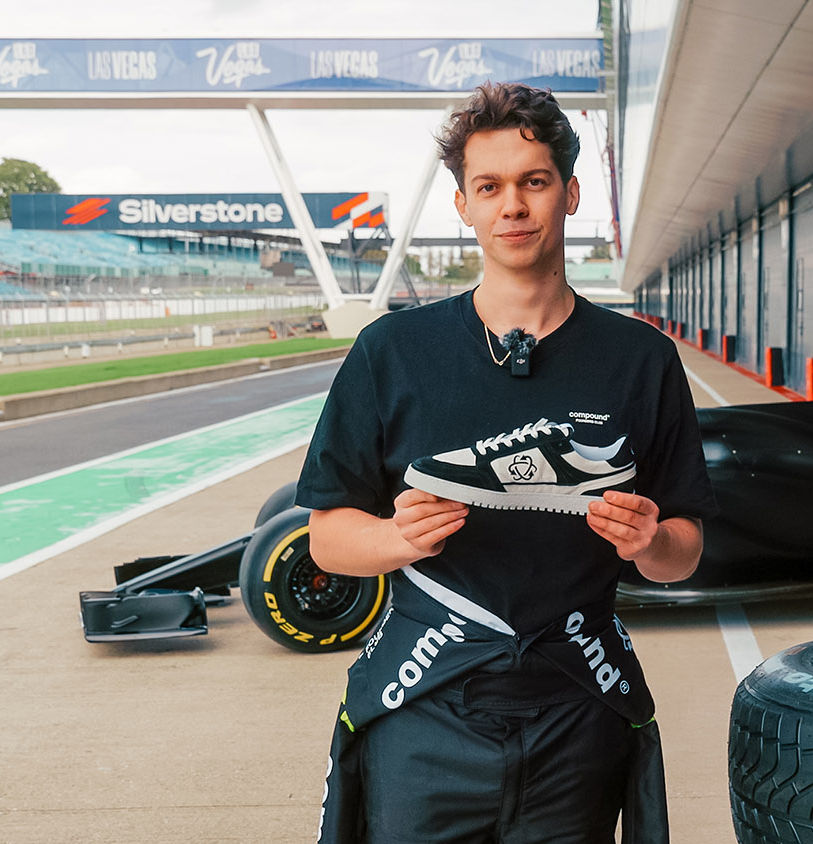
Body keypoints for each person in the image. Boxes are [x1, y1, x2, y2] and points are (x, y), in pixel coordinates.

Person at [297, 82, 717, 844]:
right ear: (463, 205)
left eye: (533, 181)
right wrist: (397, 539)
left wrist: (649, 540)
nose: (512, 206)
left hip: (576, 705)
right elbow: (328, 537)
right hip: (423, 710)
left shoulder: (642, 359)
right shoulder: (392, 352)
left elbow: (682, 556)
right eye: (488, 187)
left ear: (570, 192)